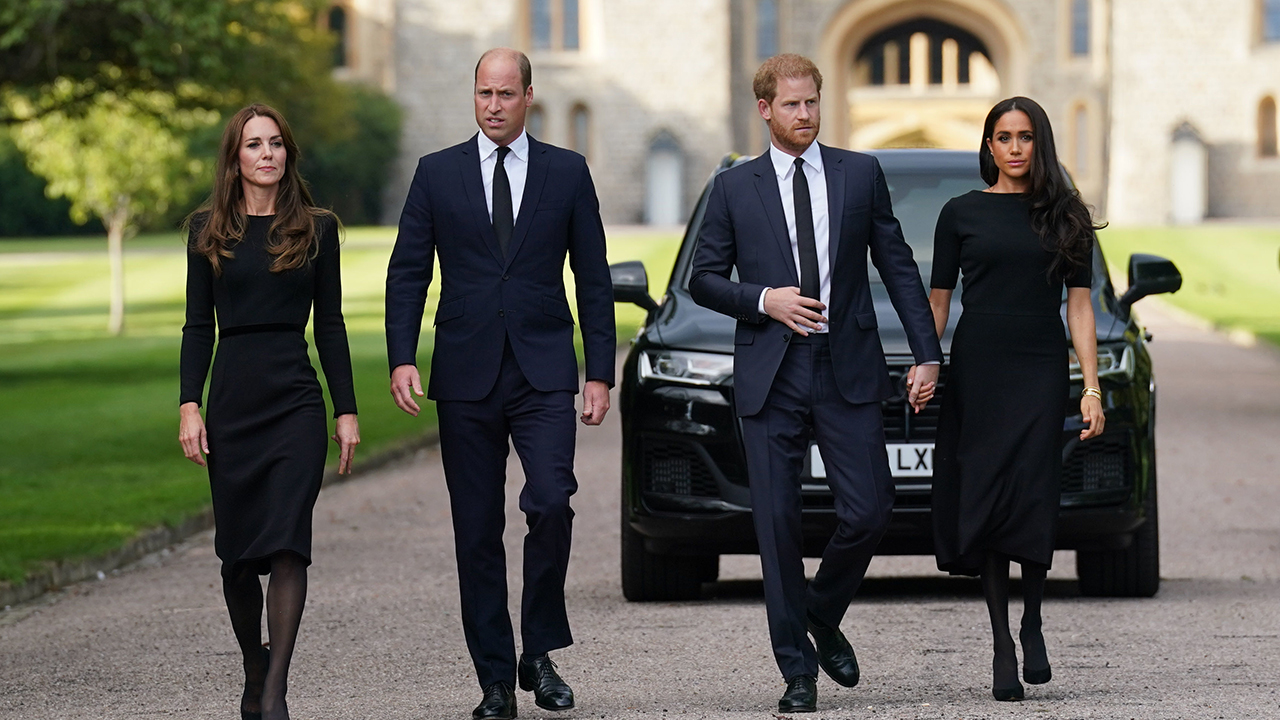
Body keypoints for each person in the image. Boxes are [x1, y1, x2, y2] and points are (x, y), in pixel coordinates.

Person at [689, 54, 943, 714]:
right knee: (776, 526)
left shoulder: (859, 173)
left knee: (871, 509)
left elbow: (899, 265)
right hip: (771, 370)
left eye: (813, 103)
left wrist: (927, 352)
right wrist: (763, 299)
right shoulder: (733, 188)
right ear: (765, 109)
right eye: (792, 105)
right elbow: (703, 278)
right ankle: (797, 672)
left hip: (846, 365)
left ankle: (820, 612)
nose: (805, 115)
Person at [384, 48, 615, 720]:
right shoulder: (436, 174)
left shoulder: (567, 172)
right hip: (464, 373)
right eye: (484, 93)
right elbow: (407, 274)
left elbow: (594, 278)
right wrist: (403, 357)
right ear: (474, 96)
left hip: (543, 370)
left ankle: (537, 653)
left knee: (550, 502)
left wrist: (598, 371)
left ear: (529, 97)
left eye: (506, 93)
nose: (493, 105)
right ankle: (493, 680)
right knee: (476, 529)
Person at [178, 104, 360, 720]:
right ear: (234, 157)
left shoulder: (317, 228)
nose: (266, 155)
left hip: (294, 402)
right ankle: (253, 669)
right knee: (236, 558)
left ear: (288, 154)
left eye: (276, 144)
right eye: (253, 145)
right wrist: (189, 406)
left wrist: (345, 410)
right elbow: (197, 327)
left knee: (287, 545)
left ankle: (276, 691)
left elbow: (331, 325)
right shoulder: (206, 230)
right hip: (232, 401)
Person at [925, 96, 1106, 702]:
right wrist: (928, 362)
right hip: (980, 368)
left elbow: (1079, 307)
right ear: (988, 146)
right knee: (987, 493)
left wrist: (1091, 387)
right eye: (1002, 137)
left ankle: (1033, 621)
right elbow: (939, 301)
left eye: (1024, 137)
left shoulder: (1067, 216)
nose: (1014, 148)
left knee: (1032, 490)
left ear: (1039, 143)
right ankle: (1001, 640)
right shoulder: (959, 214)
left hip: (1039, 368)